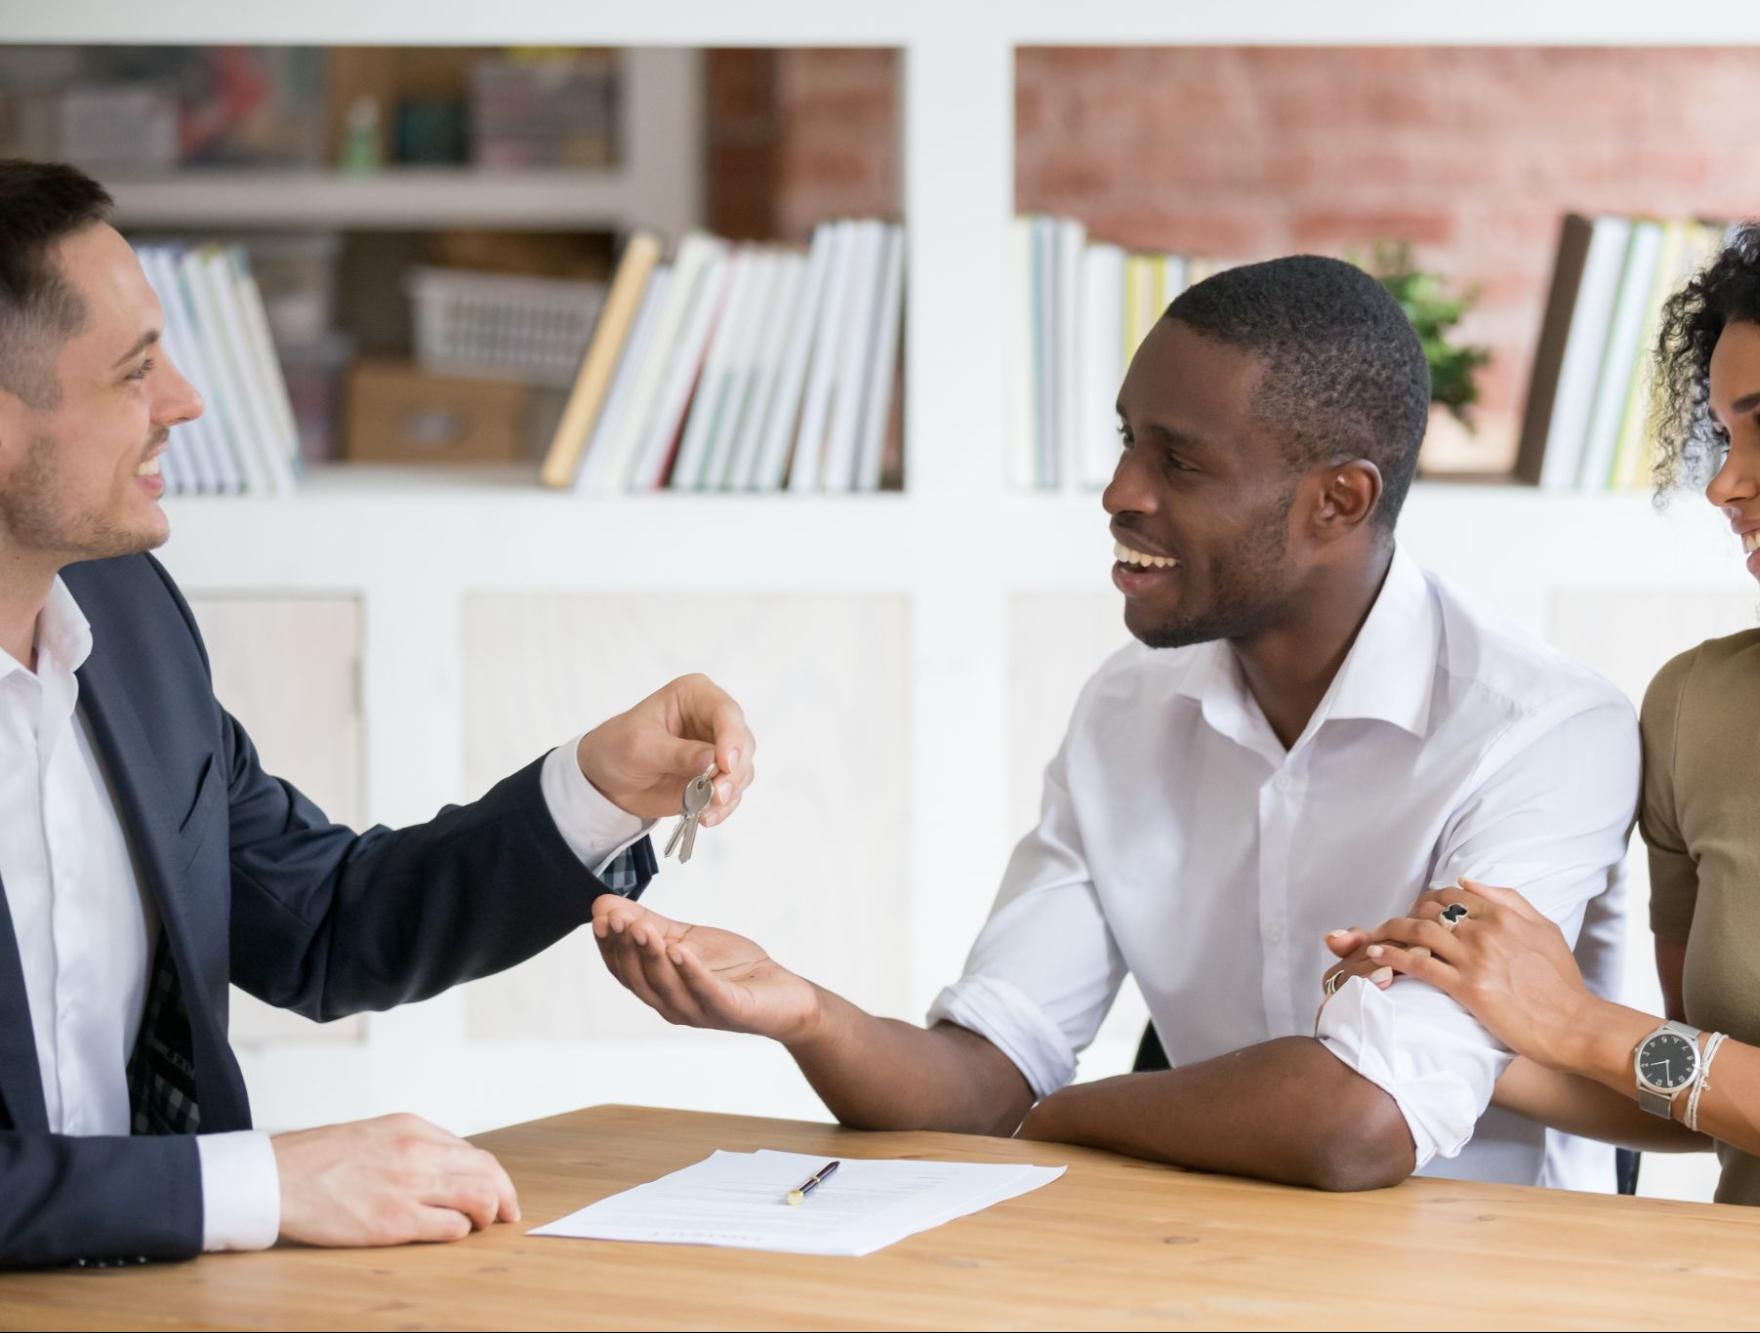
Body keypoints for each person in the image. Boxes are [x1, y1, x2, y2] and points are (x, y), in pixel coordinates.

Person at [591, 254, 1638, 1193]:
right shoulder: (1128, 711)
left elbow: (1358, 1122)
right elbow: (982, 1074)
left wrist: (1053, 1119)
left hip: (1489, 1276)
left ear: (1338, 501)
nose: (1119, 491)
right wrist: (807, 1014)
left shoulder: (1540, 735)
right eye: (1128, 440)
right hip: (1195, 1256)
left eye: (1178, 463)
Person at [0, 159, 758, 1268]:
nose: (185, 402)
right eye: (132, 372)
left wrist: (594, 789)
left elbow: (321, 922)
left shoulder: (127, 616)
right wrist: (264, 1179)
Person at [1326, 164, 1760, 1225]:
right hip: (1735, 1291)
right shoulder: (1702, 710)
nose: (1724, 483)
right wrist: (1449, 1019)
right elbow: (1696, 1091)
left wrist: (1583, 1021)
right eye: (1722, 434)